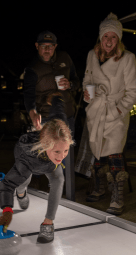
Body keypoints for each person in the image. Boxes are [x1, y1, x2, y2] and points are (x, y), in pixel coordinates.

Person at [0, 94, 74, 243]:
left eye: (65, 150)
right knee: (23, 179)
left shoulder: (60, 130)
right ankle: (21, 192)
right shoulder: (27, 158)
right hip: (28, 157)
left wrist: (55, 99)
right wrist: (7, 210)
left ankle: (48, 223)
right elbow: (6, 185)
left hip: (47, 160)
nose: (62, 156)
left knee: (58, 179)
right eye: (57, 152)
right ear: (46, 146)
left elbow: (59, 112)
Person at [83, 13, 136, 215]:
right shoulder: (92, 55)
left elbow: (133, 90)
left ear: (119, 39)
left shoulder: (128, 58)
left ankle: (117, 196)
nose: (108, 41)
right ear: (100, 37)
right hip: (97, 110)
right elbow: (88, 78)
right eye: (105, 37)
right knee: (98, 151)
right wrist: (89, 97)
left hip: (115, 113)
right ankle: (99, 187)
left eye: (113, 37)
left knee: (114, 152)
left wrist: (118, 110)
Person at [23, 30, 80, 199]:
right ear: (37, 46)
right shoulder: (32, 69)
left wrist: (70, 84)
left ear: (55, 46)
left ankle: (69, 196)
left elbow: (78, 81)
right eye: (43, 46)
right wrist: (32, 113)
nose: (47, 50)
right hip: (46, 118)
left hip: (67, 116)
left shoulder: (65, 58)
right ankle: (44, 194)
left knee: (66, 155)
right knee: (46, 157)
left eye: (50, 46)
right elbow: (28, 95)